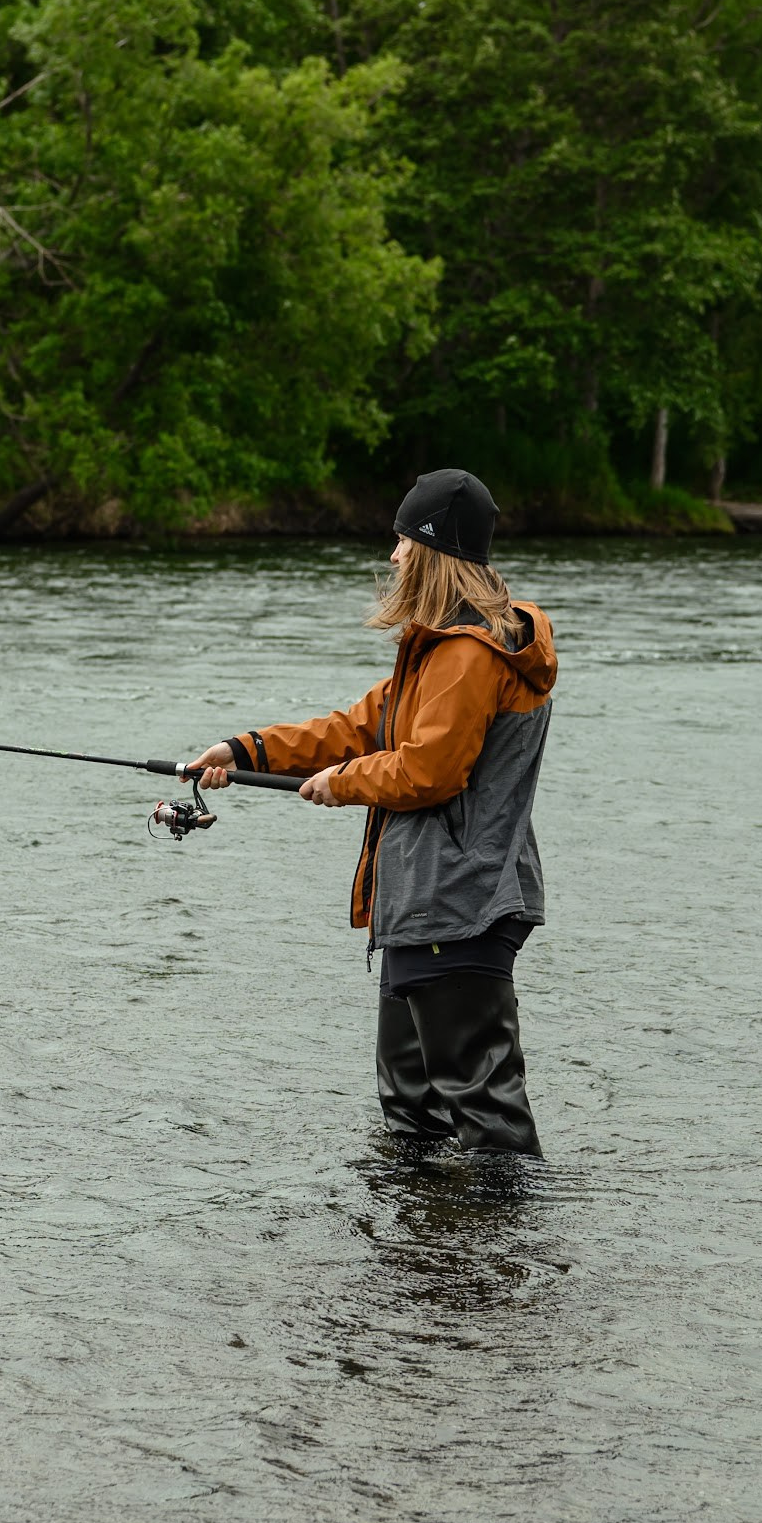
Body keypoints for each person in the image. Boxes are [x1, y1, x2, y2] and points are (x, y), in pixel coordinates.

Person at [187, 469, 555, 1155]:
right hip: (427, 907)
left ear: (433, 549)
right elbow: (360, 726)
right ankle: (424, 1228)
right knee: (411, 1112)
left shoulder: (468, 654)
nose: (393, 555)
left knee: (486, 1122)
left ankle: (501, 1231)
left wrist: (342, 784)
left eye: (403, 541)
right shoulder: (441, 649)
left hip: (459, 902)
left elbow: (430, 771)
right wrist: (245, 750)